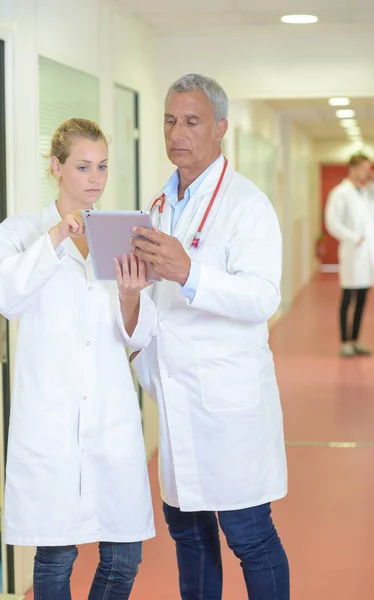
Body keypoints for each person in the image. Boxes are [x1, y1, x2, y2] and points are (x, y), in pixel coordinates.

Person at [129, 74, 289, 600]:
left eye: (192, 121)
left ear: (220, 128)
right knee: (189, 538)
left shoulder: (247, 204)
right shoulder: (154, 208)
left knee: (249, 536)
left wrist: (188, 271)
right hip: (176, 402)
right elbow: (154, 307)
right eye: (170, 120)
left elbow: (263, 297)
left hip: (229, 404)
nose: (178, 132)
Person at [0, 118, 155, 600]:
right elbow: (8, 297)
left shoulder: (122, 236)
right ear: (56, 167)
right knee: (56, 555)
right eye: (83, 166)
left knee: (125, 555)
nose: (96, 178)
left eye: (103, 166)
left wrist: (131, 295)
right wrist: (55, 238)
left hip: (110, 416)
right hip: (51, 418)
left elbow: (140, 332)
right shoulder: (22, 232)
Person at [325, 154, 374, 357]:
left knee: (363, 298)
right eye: (365, 168)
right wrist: (354, 238)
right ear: (353, 168)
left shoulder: (369, 192)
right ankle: (345, 341)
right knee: (348, 297)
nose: (368, 172)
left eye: (369, 168)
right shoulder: (340, 193)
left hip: (368, 254)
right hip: (353, 251)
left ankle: (356, 340)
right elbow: (332, 223)